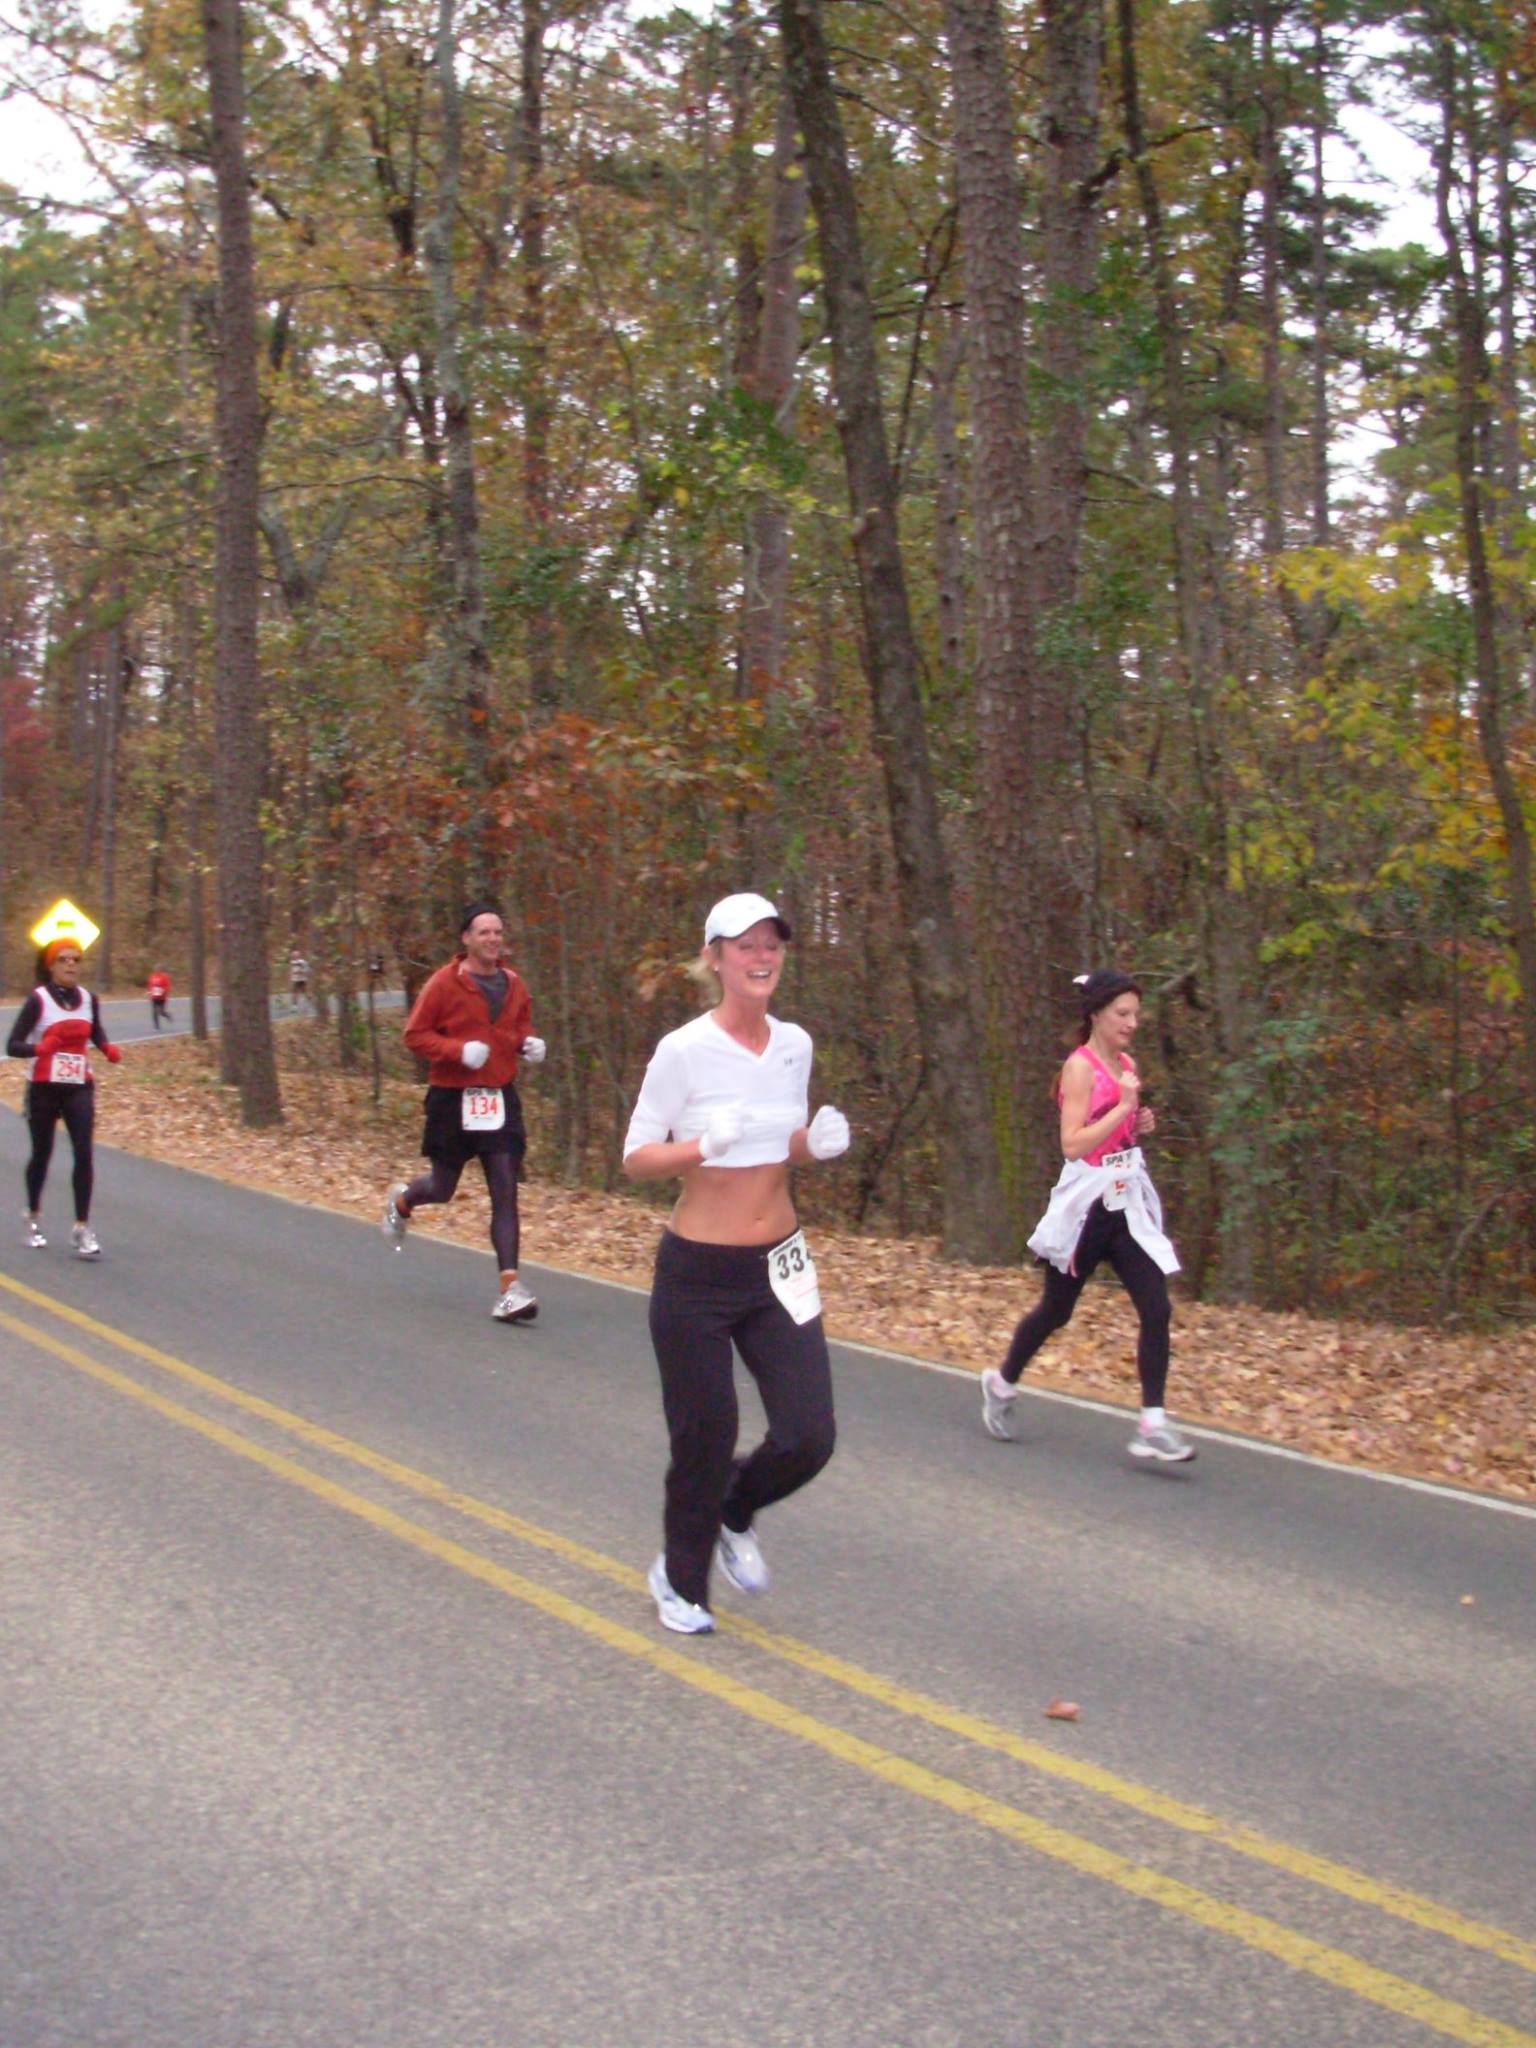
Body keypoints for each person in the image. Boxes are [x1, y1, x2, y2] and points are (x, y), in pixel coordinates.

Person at [622, 892, 851, 1635]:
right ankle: (680, 1581)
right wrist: (699, 1147)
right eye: (744, 945)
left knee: (809, 1434)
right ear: (714, 958)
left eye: (772, 945)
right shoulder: (683, 1051)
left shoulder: (795, 1045)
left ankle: (736, 1508)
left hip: (780, 1264)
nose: (761, 957)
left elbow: (778, 1138)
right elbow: (636, 1158)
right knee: (706, 1434)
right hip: (697, 1274)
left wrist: (810, 1145)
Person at [979, 969, 1195, 1463]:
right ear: (1095, 1014)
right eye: (1122, 1013)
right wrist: (1122, 1109)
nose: (1132, 1023)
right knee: (1057, 1311)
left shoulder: (1124, 1064)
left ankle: (1153, 1424)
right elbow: (1073, 1143)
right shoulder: (1079, 1069)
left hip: (1124, 1203)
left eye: (1136, 1014)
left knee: (1157, 1308)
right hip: (1085, 1210)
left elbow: (1118, 1132)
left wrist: (1138, 1122)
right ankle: (1002, 1382)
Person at [382, 902, 547, 1322]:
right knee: (442, 1186)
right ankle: (402, 1201)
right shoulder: (443, 983)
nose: (493, 938)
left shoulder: (514, 984)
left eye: (497, 932)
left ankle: (510, 1289)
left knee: (505, 1189)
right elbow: (414, 1035)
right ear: (466, 939)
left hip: (498, 1097)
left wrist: (529, 1044)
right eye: (484, 932)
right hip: (453, 1097)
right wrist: (458, 1051)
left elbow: (519, 1027)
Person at [6, 937, 122, 1257]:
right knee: (42, 1153)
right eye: (64, 959)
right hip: (43, 1087)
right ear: (51, 965)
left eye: (76, 959)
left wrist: (106, 1048)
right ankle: (32, 1216)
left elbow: (94, 1030)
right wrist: (38, 1048)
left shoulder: (88, 999)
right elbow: (12, 1045)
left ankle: (82, 1227)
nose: (71, 964)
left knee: (84, 1153)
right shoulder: (38, 1000)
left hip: (78, 1087)